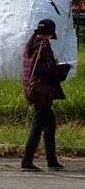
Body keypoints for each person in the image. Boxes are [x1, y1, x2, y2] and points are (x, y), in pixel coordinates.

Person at [21, 19, 72, 171]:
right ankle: (27, 161)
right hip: (41, 92)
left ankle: (52, 160)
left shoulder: (31, 44)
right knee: (38, 126)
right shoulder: (44, 46)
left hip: (32, 89)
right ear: (50, 32)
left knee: (50, 124)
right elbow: (49, 71)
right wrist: (64, 69)